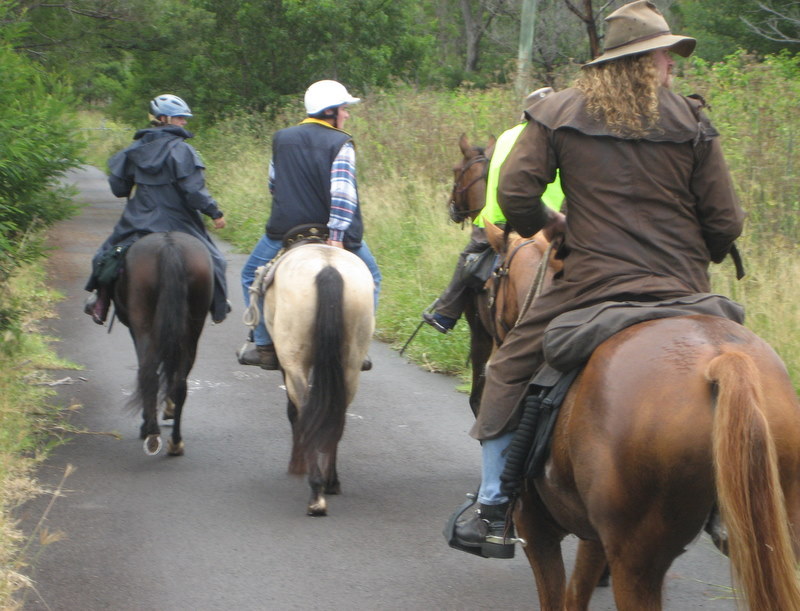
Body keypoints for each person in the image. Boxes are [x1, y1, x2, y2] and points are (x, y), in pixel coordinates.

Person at [450, 0, 744, 558]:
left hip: (590, 283)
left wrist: (554, 227)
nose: (671, 66)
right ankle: (733, 505)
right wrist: (691, 256)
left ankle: (492, 508)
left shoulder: (559, 112)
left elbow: (514, 194)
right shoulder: (692, 121)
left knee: (507, 367)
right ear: (644, 61)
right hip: (683, 287)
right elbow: (725, 221)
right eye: (665, 55)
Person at [237, 80, 382, 370]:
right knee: (373, 278)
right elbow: (343, 193)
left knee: (250, 276)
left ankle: (264, 346)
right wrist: (338, 236)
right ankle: (358, 348)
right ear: (330, 112)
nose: (347, 115)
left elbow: (274, 184)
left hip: (287, 230)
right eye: (343, 109)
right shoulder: (341, 142)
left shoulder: (282, 138)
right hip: (335, 234)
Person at [422, 88, 564, 334]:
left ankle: (445, 313)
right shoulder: (562, 138)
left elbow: (492, 178)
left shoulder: (507, 137)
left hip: (497, 220)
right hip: (549, 223)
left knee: (469, 259)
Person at [83, 94, 229, 325]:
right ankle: (218, 306)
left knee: (105, 255)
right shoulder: (184, 151)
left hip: (139, 219)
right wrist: (215, 212)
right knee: (217, 259)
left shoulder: (134, 150)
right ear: (163, 118)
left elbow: (118, 188)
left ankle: (100, 300)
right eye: (180, 117)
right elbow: (194, 191)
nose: (184, 122)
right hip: (180, 220)